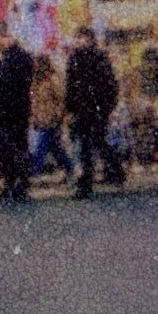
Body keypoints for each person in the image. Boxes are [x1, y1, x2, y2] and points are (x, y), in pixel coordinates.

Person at [62, 28, 122, 198]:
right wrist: (70, 107)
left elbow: (110, 85)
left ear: (89, 39)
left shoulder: (97, 57)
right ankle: (104, 176)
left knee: (94, 144)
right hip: (85, 109)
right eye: (78, 38)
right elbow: (71, 85)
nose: (79, 41)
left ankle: (92, 182)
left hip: (95, 109)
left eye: (82, 38)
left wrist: (106, 107)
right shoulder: (76, 58)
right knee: (90, 145)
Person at [0, 38, 35, 202]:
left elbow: (6, 83)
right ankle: (19, 185)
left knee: (9, 151)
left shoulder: (11, 60)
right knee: (17, 149)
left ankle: (13, 186)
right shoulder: (21, 58)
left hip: (9, 113)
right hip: (17, 113)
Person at [28, 47, 71, 185]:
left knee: (40, 147)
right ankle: (69, 169)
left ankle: (35, 173)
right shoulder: (36, 81)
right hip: (41, 119)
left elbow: (60, 99)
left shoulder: (53, 79)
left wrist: (58, 116)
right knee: (55, 148)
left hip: (51, 119)